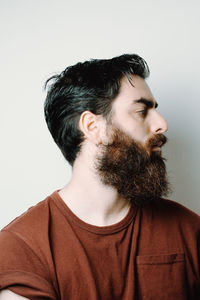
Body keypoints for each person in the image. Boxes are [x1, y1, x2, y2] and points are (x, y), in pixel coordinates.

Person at [0, 54, 199, 300]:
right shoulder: (23, 248)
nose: (161, 124)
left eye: (156, 110)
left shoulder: (190, 230)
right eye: (141, 111)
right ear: (93, 128)